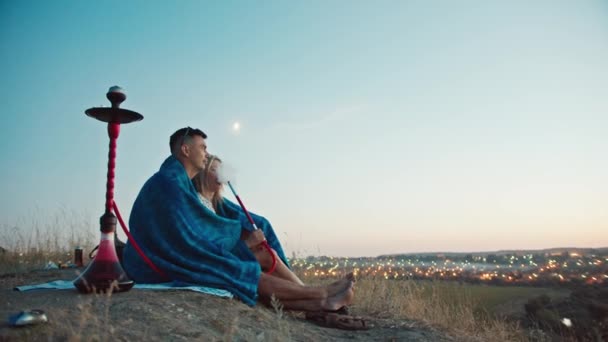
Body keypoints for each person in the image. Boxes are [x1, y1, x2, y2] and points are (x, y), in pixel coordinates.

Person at [122, 127, 354, 312]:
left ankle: (317, 301)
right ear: (185, 149)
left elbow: (197, 226)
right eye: (202, 147)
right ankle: (322, 296)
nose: (206, 153)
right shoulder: (169, 182)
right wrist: (242, 240)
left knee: (249, 260)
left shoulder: (177, 182)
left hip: (179, 254)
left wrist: (249, 233)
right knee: (233, 269)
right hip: (160, 262)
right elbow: (193, 229)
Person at [192, 154, 304, 285]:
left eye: (220, 170)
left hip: (231, 257)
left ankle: (302, 290)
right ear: (202, 173)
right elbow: (213, 247)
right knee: (268, 255)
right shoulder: (197, 203)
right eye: (213, 169)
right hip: (220, 263)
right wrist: (249, 243)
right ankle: (304, 291)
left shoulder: (218, 205)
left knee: (268, 253)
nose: (219, 174)